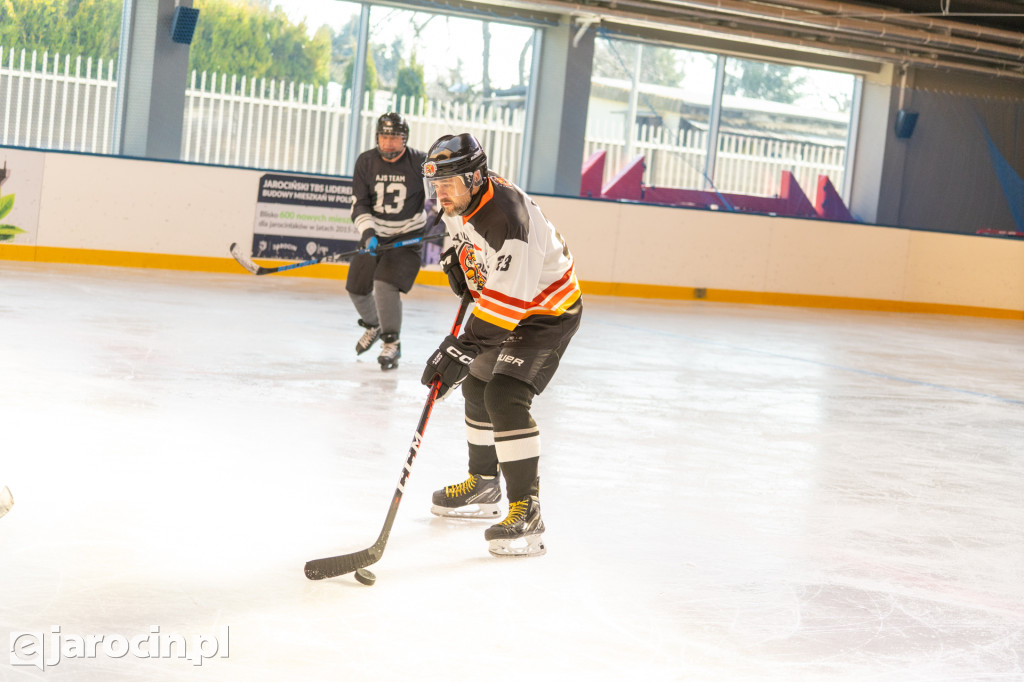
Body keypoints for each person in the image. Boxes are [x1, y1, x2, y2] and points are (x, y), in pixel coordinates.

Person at [419, 133, 583, 558]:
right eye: (435, 185)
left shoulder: (509, 220)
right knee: (476, 385)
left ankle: (526, 512)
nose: (440, 194)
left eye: (448, 184)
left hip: (546, 313)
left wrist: (460, 346)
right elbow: (464, 240)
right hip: (511, 302)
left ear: (475, 177)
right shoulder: (458, 196)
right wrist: (459, 262)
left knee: (505, 394)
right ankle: (483, 486)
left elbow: (506, 309)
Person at [347, 112, 428, 370]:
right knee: (356, 288)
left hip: (406, 239)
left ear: (404, 139)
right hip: (375, 237)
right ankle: (374, 325)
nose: (388, 143)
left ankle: (391, 342)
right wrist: (368, 233)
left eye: (394, 138)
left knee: (384, 285)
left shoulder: (419, 162)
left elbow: (441, 196)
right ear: (377, 137)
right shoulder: (366, 161)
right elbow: (359, 203)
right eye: (384, 137)